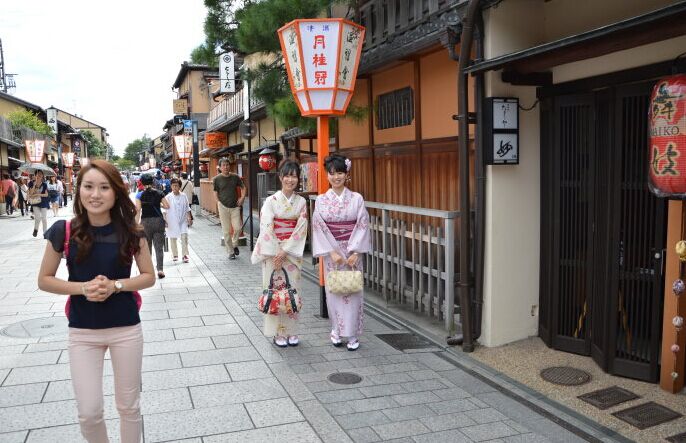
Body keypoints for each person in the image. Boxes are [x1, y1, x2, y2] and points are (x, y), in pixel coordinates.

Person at [37, 159, 156, 443]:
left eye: (104, 187)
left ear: (116, 192)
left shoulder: (133, 232)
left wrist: (115, 286)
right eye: (88, 186)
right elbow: (44, 279)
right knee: (88, 412)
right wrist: (83, 288)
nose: (95, 194)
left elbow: (149, 276)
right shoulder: (63, 230)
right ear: (79, 190)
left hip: (126, 328)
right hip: (82, 332)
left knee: (129, 407)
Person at [312, 154, 371, 351]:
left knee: (353, 292)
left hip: (353, 254)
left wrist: (356, 252)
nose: (336, 177)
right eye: (332, 173)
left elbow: (363, 224)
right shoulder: (321, 200)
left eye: (340, 173)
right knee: (334, 292)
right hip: (333, 255)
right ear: (327, 176)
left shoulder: (356, 198)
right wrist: (331, 252)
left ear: (346, 174)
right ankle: (336, 330)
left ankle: (352, 334)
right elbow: (318, 227)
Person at [252, 160, 308, 348]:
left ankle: (292, 331)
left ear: (298, 178)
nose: (290, 180)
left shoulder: (301, 202)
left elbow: (301, 228)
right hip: (272, 253)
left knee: (292, 290)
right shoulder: (271, 201)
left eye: (294, 176)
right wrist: (277, 252)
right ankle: (277, 332)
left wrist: (285, 250)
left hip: (291, 253)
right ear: (280, 177)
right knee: (274, 291)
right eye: (287, 176)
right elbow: (266, 227)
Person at [135, 174, 169, 278]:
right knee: (159, 247)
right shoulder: (159, 193)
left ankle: (149, 271)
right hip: (158, 221)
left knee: (147, 247)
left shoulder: (139, 195)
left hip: (145, 222)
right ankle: (160, 270)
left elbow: (138, 210)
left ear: (142, 182)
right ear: (153, 181)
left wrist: (136, 224)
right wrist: (159, 204)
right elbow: (167, 206)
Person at [213, 158, 245, 260]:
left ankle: (234, 244)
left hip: (235, 206)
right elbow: (215, 192)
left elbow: (243, 187)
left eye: (227, 165)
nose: (226, 167)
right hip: (223, 207)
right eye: (223, 165)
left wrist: (242, 198)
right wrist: (218, 203)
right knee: (226, 231)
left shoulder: (235, 177)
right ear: (220, 167)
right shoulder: (216, 179)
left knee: (238, 228)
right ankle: (230, 252)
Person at [164, 178, 192, 263]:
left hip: (183, 220)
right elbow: (164, 209)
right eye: (173, 186)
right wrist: (165, 220)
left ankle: (185, 255)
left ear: (180, 187)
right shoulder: (168, 197)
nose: (175, 187)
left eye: (176, 186)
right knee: (173, 237)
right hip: (172, 220)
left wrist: (189, 217)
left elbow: (187, 207)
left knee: (184, 236)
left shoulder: (183, 196)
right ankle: (175, 254)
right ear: (171, 186)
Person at [28, 171, 50, 237]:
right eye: (38, 174)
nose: (39, 176)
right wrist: (34, 185)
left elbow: (46, 194)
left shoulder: (44, 184)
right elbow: (30, 194)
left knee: (44, 218)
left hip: (44, 202)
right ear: (35, 175)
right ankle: (35, 229)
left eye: (41, 174)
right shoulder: (31, 183)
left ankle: (45, 233)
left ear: (42, 176)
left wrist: (38, 194)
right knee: (37, 218)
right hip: (35, 202)